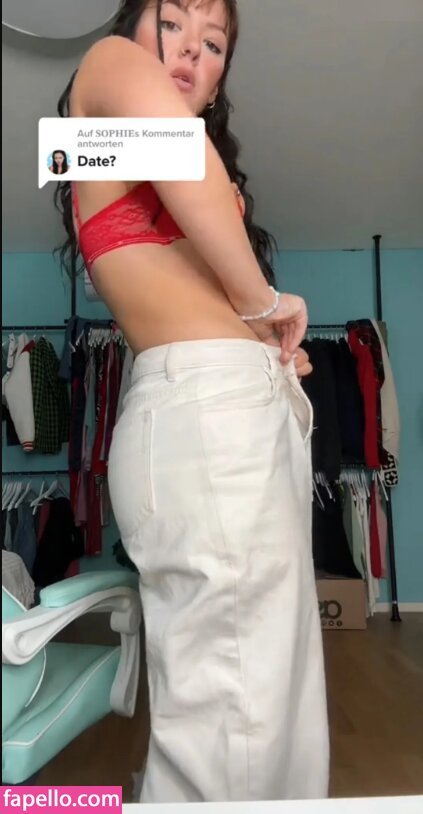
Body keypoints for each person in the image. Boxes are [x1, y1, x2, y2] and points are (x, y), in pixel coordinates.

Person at [54, 0, 329, 803]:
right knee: (234, 711)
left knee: (268, 699)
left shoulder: (153, 149)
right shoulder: (108, 65)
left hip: (233, 407)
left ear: (217, 83)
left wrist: (265, 348)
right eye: (171, 24)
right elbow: (180, 159)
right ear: (131, 28)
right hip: (207, 412)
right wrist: (260, 305)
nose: (189, 51)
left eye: (212, 45)